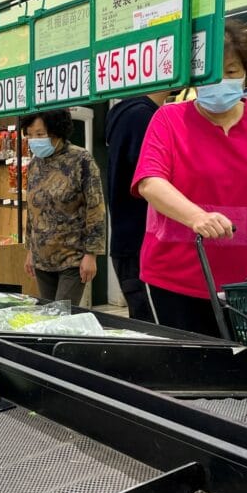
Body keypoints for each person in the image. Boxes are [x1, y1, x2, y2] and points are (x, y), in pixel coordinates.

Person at [132, 21, 247, 337]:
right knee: (185, 368)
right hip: (172, 275)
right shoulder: (169, 118)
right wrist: (196, 217)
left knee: (233, 367)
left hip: (241, 282)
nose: (222, 81)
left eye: (232, 71)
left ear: (246, 73)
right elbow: (150, 180)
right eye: (211, 73)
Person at [20, 109, 106, 305]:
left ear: (57, 132)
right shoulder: (35, 165)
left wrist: (91, 254)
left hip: (72, 259)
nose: (34, 140)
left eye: (40, 134)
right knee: (48, 317)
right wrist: (30, 250)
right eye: (30, 134)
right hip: (42, 260)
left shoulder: (81, 160)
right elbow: (33, 210)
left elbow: (96, 208)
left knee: (62, 316)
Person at [105, 91, 168, 321]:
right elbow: (150, 182)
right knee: (154, 327)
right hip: (142, 243)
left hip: (127, 241)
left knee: (144, 325)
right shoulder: (143, 118)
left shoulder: (125, 113)